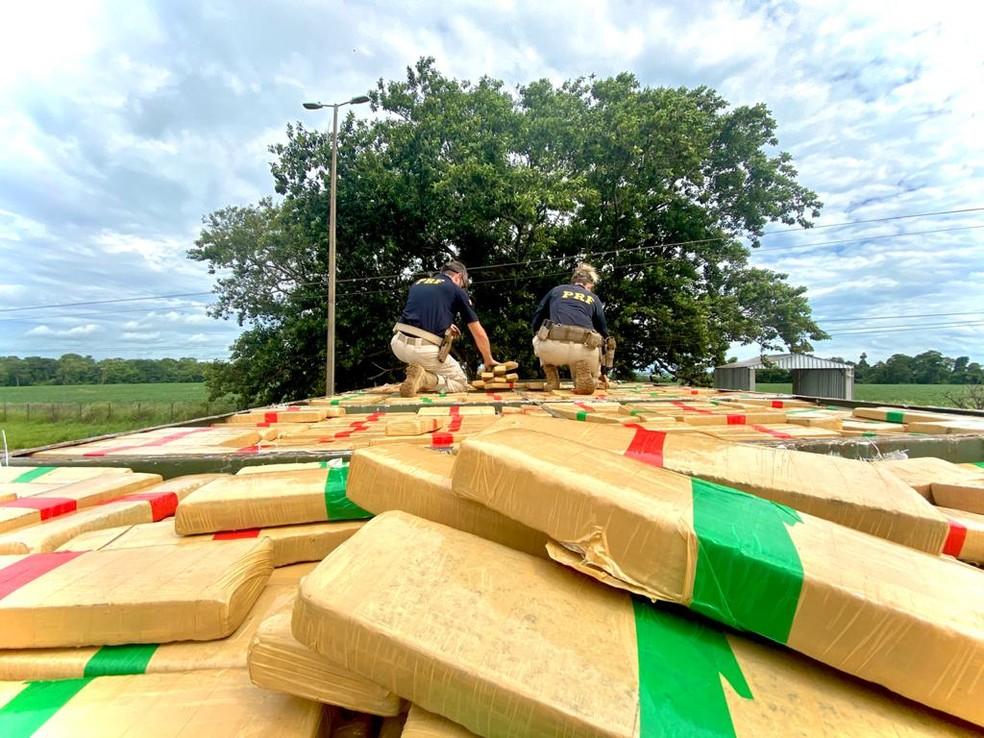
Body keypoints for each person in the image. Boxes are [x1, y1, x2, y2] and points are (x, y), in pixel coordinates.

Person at [391, 260, 498, 397]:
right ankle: (425, 379)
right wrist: (488, 359)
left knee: (427, 363)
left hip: (398, 345)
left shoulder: (418, 284)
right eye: (463, 284)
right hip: (422, 350)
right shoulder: (456, 290)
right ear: (459, 276)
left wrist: (444, 325)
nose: (462, 287)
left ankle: (419, 377)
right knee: (460, 383)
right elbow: (478, 332)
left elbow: (422, 312)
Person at [531, 262, 609, 395]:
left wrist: (536, 332)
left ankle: (552, 378)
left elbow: (538, 316)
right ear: (589, 285)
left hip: (553, 348)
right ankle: (586, 377)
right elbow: (603, 332)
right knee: (586, 357)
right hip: (585, 350)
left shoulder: (556, 290)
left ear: (574, 282)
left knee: (538, 337)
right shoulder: (594, 298)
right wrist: (603, 370)